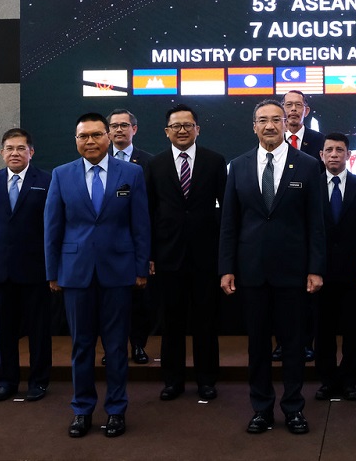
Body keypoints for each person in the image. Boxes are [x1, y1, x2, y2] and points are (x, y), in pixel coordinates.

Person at [219, 99, 326, 435]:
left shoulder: (308, 165)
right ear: (253, 126)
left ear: (285, 124)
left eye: (275, 120)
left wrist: (316, 267)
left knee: (293, 345)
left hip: (294, 273)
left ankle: (294, 408)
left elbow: (317, 223)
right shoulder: (237, 165)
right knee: (257, 345)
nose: (269, 126)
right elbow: (229, 223)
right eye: (262, 120)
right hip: (251, 272)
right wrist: (226, 267)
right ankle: (261, 409)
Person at [45, 112, 150, 438]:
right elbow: (52, 228)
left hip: (118, 273)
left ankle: (116, 410)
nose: (90, 141)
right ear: (76, 141)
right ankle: (82, 410)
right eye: (83, 136)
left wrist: (141, 266)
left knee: (117, 347)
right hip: (75, 275)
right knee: (81, 347)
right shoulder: (61, 175)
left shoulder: (131, 173)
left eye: (95, 135)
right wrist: (53, 272)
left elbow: (140, 224)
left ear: (108, 137)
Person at [144, 104, 226, 402]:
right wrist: (149, 254)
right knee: (172, 323)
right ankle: (173, 380)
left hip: (206, 257)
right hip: (167, 257)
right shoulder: (155, 165)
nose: (182, 130)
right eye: (175, 126)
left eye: (187, 125)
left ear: (197, 129)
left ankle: (207, 380)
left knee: (206, 322)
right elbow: (149, 213)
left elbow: (226, 211)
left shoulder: (215, 161)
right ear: (167, 131)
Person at [0, 128, 51, 403]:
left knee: (39, 330)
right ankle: (6, 382)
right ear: (2, 152)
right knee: (4, 331)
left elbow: (54, 226)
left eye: (21, 148)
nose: (15, 153)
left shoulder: (48, 180)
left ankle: (39, 382)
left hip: (37, 268)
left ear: (31, 151)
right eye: (9, 148)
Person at [314, 133, 356, 401]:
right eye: (329, 150)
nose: (334, 154)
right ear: (321, 155)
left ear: (349, 155)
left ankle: (349, 381)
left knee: (352, 330)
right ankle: (326, 381)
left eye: (340, 149)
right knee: (322, 330)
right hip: (319, 272)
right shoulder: (309, 187)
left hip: (354, 272)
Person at [276, 90, 324, 362]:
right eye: (288, 105)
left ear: (307, 110)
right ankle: (281, 343)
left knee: (305, 292)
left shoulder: (319, 141)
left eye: (298, 105)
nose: (293, 110)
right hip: (276, 225)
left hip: (306, 225)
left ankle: (306, 342)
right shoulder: (270, 138)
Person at [107, 108, 154, 365]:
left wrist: (150, 252)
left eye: (124, 125)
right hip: (106, 243)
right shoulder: (96, 160)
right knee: (108, 304)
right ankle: (112, 349)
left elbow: (154, 208)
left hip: (136, 242)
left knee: (139, 301)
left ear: (134, 129)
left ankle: (138, 346)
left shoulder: (149, 162)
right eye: (114, 126)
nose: (118, 130)